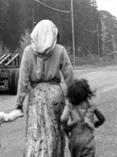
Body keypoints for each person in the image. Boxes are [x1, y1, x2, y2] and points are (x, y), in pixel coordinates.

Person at [15, 19, 74, 157]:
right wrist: (75, 96)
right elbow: (69, 75)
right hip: (55, 95)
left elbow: (23, 79)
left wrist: (19, 103)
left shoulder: (28, 51)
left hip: (36, 96)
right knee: (55, 132)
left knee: (36, 132)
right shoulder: (59, 50)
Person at [61, 79, 105, 157]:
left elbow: (63, 119)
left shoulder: (70, 106)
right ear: (87, 92)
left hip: (74, 142)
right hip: (88, 142)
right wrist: (96, 124)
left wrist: (66, 128)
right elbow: (102, 119)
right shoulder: (91, 105)